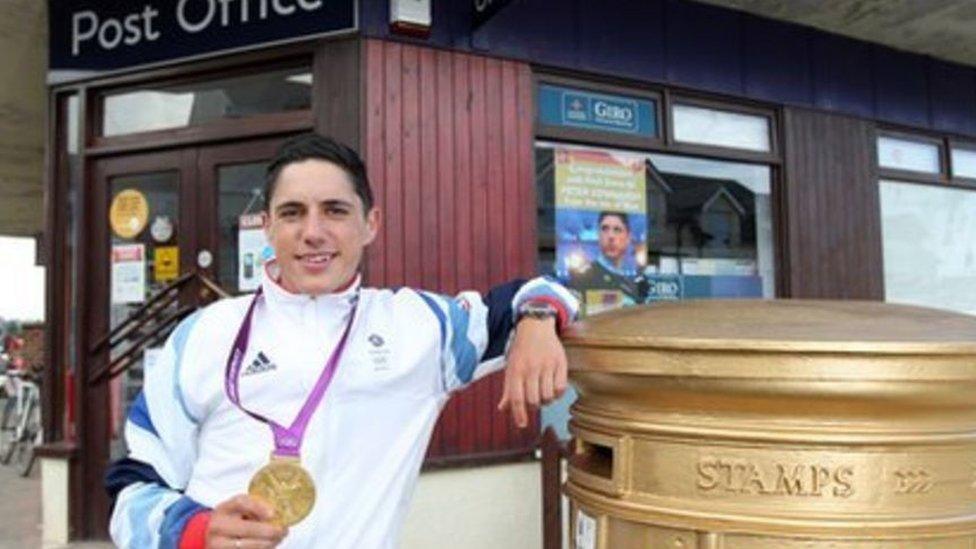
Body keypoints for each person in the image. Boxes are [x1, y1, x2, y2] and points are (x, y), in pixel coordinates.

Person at [104, 133, 578, 548]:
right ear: (267, 226)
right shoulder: (205, 333)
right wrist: (194, 533)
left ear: (370, 224)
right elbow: (135, 485)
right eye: (292, 213)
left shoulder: (419, 326)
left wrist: (538, 318)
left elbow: (536, 292)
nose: (313, 232)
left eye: (334, 211)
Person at [568, 211, 643, 307]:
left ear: (628, 237)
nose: (611, 236)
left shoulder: (631, 284)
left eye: (617, 230)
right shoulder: (584, 277)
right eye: (605, 229)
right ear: (598, 234)